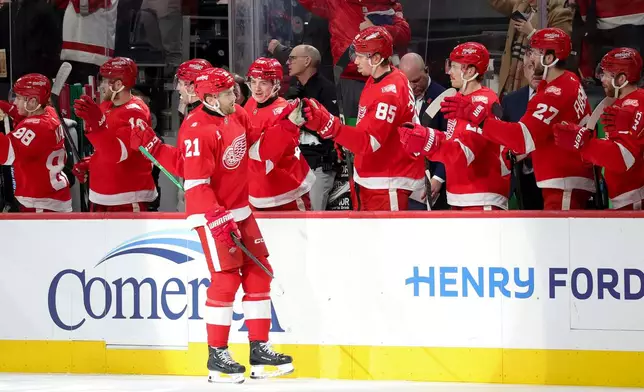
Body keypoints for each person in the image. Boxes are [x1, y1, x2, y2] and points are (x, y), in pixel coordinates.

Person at [132, 67, 297, 383]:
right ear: (208, 97)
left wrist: (287, 123)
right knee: (225, 279)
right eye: (225, 93)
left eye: (233, 90)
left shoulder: (234, 114)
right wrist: (217, 218)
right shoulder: (196, 128)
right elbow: (195, 181)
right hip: (213, 214)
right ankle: (217, 356)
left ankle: (259, 349)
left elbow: (254, 143)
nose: (234, 96)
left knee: (260, 271)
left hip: (239, 209)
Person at [439, 28, 595, 210]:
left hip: (565, 182)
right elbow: (545, 135)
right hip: (568, 179)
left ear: (549, 58)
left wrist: (482, 121)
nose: (529, 58)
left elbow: (523, 138)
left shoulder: (555, 93)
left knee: (562, 237)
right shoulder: (570, 80)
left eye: (534, 53)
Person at [303, 26, 424, 211]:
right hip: (374, 178)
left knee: (387, 239)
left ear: (376, 58)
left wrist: (332, 127)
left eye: (361, 55)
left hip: (389, 182)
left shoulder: (389, 92)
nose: (355, 60)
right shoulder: (377, 78)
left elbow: (369, 141)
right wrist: (346, 139)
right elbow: (366, 128)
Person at [398, 43, 511, 211]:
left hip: (481, 198)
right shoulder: (459, 98)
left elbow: (464, 153)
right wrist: (427, 135)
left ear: (470, 71)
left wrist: (429, 142)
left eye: (454, 66)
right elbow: (451, 140)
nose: (449, 71)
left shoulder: (484, 102)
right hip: (460, 196)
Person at [553, 47, 644, 210]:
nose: (601, 79)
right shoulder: (617, 103)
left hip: (635, 200)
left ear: (622, 78)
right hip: (624, 198)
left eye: (606, 74)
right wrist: (590, 149)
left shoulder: (636, 105)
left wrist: (585, 144)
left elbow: (624, 158)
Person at [297, 0, 410, 119]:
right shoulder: (337, 3)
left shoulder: (389, 4)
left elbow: (404, 35)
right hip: (349, 76)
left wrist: (376, 30)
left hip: (381, 76)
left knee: (382, 124)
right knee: (351, 124)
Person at [71, 57, 158, 212]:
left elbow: (118, 153)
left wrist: (96, 125)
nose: (101, 86)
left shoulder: (135, 112)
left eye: (105, 81)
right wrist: (91, 163)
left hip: (127, 199)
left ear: (118, 84)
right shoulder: (106, 105)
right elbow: (105, 147)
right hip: (101, 196)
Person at [0, 74, 72, 212]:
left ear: (33, 102)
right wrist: (5, 107)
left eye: (19, 98)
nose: (14, 103)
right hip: (54, 198)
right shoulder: (50, 112)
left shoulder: (34, 127)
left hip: (41, 204)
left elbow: (3, 153)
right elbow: (24, 113)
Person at [287, 45, 339, 210]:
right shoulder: (294, 91)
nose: (288, 62)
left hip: (319, 165)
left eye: (293, 58)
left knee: (314, 218)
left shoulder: (327, 89)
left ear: (307, 61)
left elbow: (334, 129)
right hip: (296, 165)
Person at [488, 0, 572, 96]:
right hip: (511, 77)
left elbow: (560, 48)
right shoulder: (521, 6)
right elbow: (499, 2)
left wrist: (532, 33)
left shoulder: (559, 13)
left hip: (536, 77)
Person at [399, 52, 449, 210]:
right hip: (406, 182)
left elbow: (450, 141)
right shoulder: (400, 96)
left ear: (426, 71)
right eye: (408, 82)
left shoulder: (444, 97)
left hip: (434, 182)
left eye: (416, 81)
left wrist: (439, 178)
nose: (413, 87)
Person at [501, 55, 544, 210]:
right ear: (524, 70)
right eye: (530, 67)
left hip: (551, 177)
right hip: (521, 177)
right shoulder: (510, 101)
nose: (536, 73)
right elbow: (504, 138)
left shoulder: (559, 96)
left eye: (539, 67)